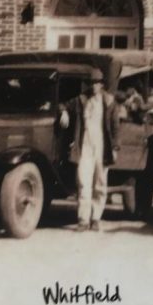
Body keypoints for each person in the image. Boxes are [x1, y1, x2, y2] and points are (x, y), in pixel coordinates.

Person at [61, 75, 119, 231]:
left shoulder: (109, 102)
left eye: (97, 83)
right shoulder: (81, 100)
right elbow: (64, 105)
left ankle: (96, 218)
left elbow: (115, 126)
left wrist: (114, 148)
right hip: (85, 144)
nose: (94, 86)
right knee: (83, 181)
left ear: (102, 85)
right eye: (91, 83)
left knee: (100, 183)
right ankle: (83, 219)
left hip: (102, 146)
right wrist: (65, 113)